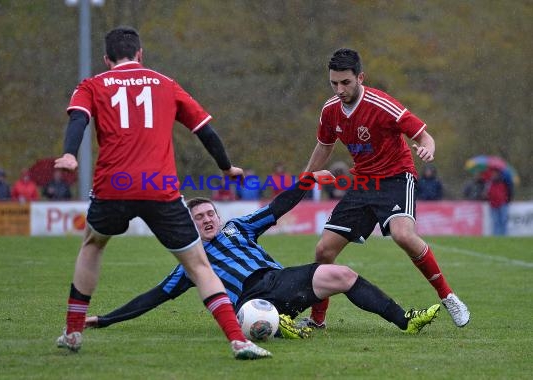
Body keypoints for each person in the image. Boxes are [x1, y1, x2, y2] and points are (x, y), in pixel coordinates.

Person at [53, 26, 270, 360]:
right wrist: (226, 167)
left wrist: (69, 154)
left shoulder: (92, 85)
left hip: (114, 185)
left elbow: (78, 122)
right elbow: (205, 131)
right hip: (160, 188)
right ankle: (238, 340)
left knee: (93, 246)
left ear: (107, 58)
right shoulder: (165, 84)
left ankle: (73, 332)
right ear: (140, 54)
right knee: (199, 266)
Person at [85, 171, 440, 336]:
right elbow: (154, 297)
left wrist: (307, 181)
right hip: (249, 300)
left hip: (282, 281)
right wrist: (106, 320)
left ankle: (405, 321)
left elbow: (278, 207)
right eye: (200, 218)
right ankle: (279, 324)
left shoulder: (238, 227)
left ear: (218, 216)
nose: (207, 219)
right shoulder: (192, 262)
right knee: (259, 315)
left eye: (210, 214)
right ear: (191, 226)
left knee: (342, 274)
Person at [301, 48, 469, 330]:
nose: (339, 89)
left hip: (396, 178)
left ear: (360, 78)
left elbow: (423, 135)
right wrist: (304, 179)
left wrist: (427, 149)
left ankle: (448, 296)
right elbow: (324, 146)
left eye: (346, 83)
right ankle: (317, 321)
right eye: (334, 83)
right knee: (323, 251)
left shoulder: (382, 104)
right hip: (364, 182)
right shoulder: (330, 111)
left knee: (403, 235)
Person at [485, 168, 512, 236]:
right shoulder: (489, 183)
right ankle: (496, 237)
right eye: (493, 174)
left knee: (503, 221)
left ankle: (504, 236)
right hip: (493, 205)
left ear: (499, 174)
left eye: (495, 173)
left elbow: (509, 192)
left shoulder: (504, 182)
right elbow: (486, 194)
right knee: (495, 222)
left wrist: (507, 200)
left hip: (502, 204)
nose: (494, 175)